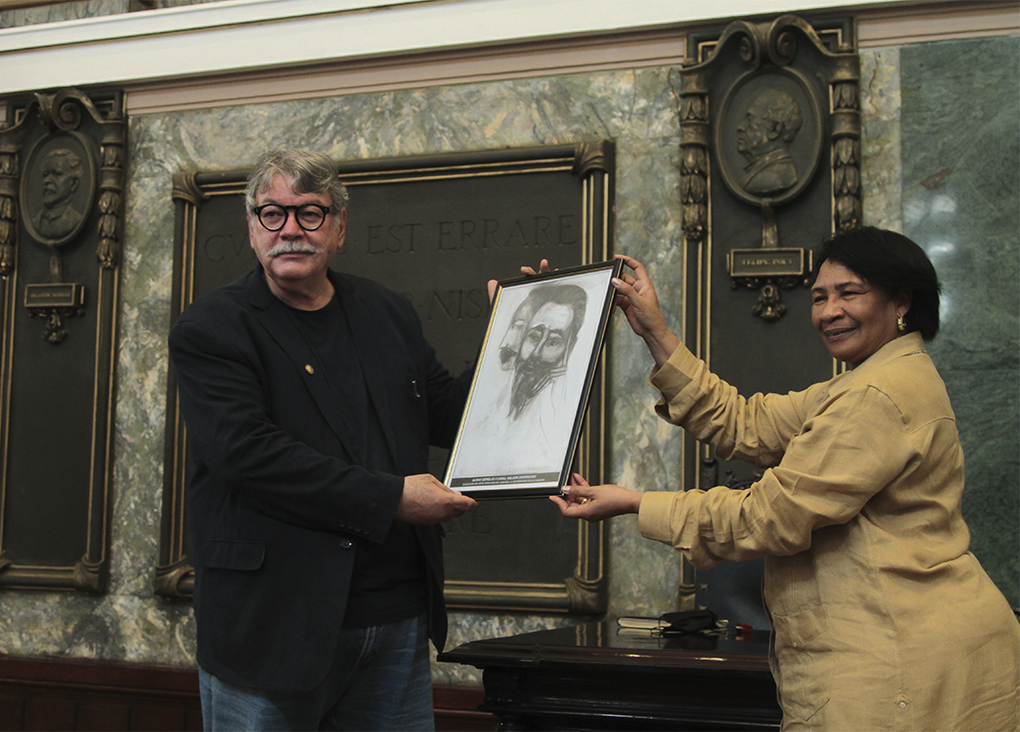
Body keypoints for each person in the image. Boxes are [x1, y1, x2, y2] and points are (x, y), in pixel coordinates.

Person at [551, 227, 1020, 731]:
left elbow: (768, 516)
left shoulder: (876, 395)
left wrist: (635, 503)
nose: (828, 311)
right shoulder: (865, 382)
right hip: (904, 646)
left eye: (849, 293)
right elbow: (745, 424)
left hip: (898, 660)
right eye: (819, 297)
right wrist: (655, 333)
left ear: (901, 301)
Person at [168, 149, 478, 731]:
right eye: (272, 214)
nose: (290, 230)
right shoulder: (211, 327)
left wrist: (515, 342)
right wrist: (391, 499)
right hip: (273, 629)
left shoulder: (387, 312)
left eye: (309, 213)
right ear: (252, 229)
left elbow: (448, 415)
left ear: (339, 228)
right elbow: (249, 457)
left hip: (396, 619)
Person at [736, 89, 802, 196]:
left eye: (750, 119)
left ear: (775, 129)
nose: (740, 127)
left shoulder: (773, 179)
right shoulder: (766, 172)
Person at [36, 148, 85, 240]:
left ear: (73, 184)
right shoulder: (36, 222)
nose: (47, 180)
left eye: (57, 174)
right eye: (45, 174)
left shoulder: (76, 221)